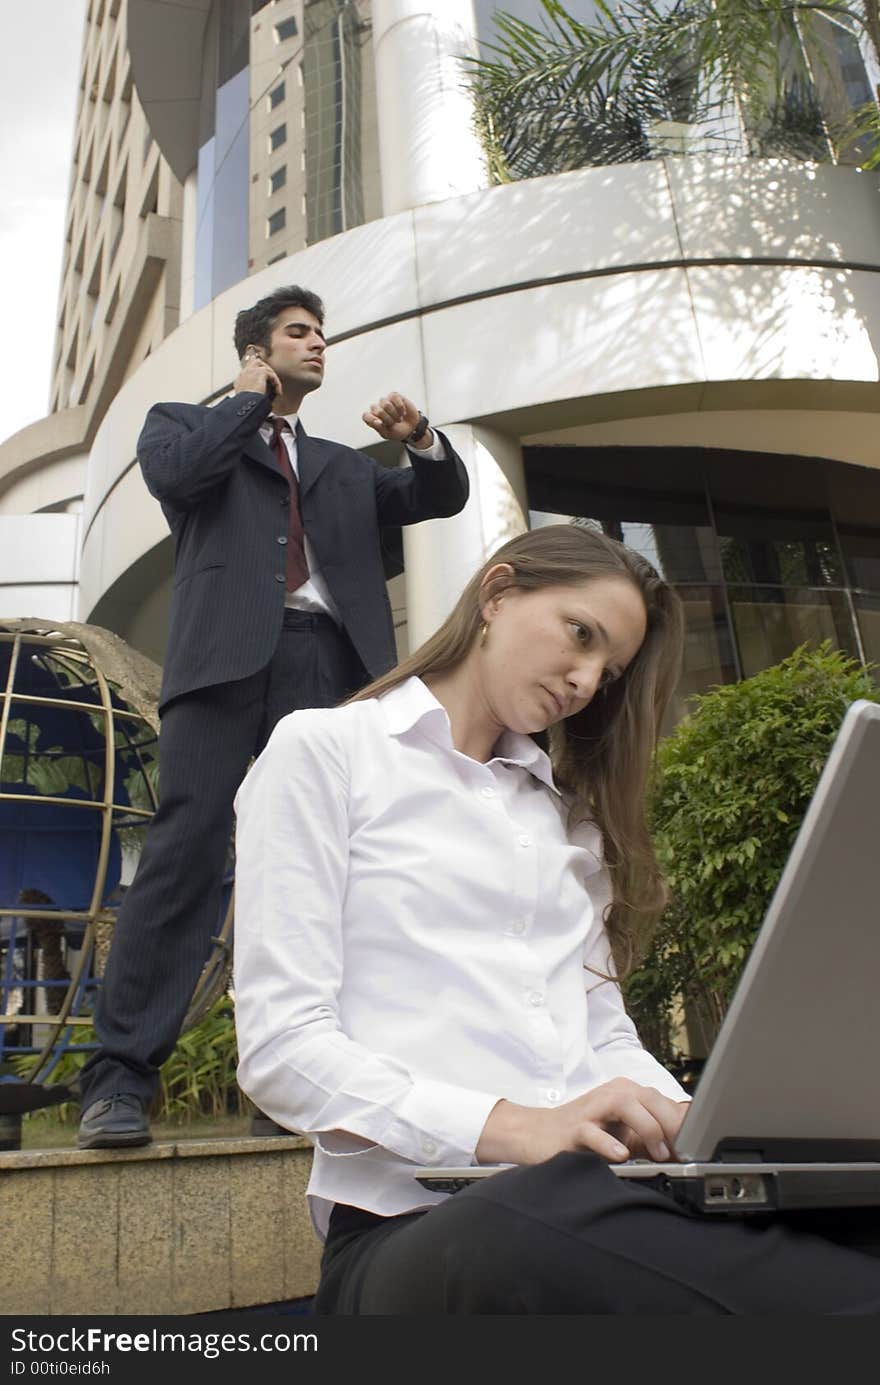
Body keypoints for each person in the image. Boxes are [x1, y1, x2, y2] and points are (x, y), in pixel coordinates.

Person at [232, 524, 880, 1314]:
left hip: (596, 1202)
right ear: (497, 593)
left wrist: (686, 1121)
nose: (584, 680)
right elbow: (282, 1048)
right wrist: (513, 1127)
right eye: (581, 635)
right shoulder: (325, 752)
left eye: (606, 672)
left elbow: (602, 1033)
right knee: (516, 1226)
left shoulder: (566, 818)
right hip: (417, 1227)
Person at [77, 284, 469, 1150]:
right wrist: (250, 399)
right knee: (184, 851)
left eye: (323, 335)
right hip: (222, 668)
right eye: (299, 334)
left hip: (328, 666)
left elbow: (438, 500)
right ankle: (118, 1080)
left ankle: (298, 1081)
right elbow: (176, 480)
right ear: (257, 350)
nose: (319, 345)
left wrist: (422, 442)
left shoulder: (342, 465)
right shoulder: (182, 425)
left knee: (321, 867)